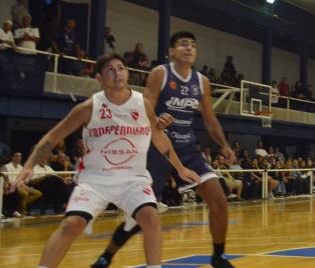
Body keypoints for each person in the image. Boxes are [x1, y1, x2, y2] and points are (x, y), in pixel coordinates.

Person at [6, 53, 199, 268]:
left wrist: (180, 169)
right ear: (99, 77)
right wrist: (30, 164)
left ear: (127, 72)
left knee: (151, 218)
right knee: (71, 224)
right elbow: (51, 138)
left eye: (121, 68)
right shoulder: (88, 107)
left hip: (132, 179)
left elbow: (159, 138)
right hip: (95, 179)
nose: (117, 73)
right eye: (110, 69)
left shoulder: (142, 104)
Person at [91, 32, 237, 268]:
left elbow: (209, 119)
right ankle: (107, 255)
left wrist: (224, 145)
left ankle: (218, 256)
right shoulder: (161, 73)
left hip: (188, 150)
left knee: (219, 200)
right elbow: (144, 108)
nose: (189, 48)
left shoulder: (202, 81)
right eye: (183, 44)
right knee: (141, 216)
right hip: (157, 150)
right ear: (171, 51)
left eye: (193, 45)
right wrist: (158, 120)